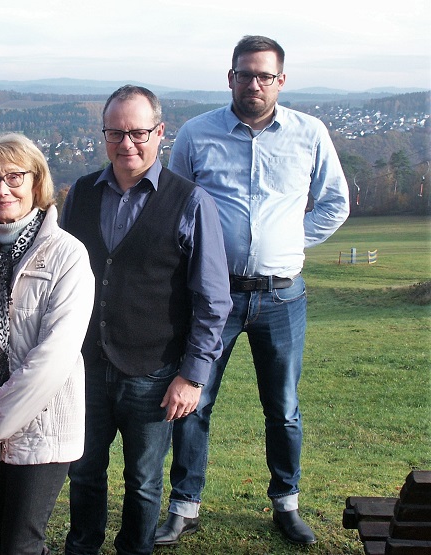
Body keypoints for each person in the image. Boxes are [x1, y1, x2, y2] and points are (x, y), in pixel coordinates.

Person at [159, 35, 350, 547]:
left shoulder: (310, 134)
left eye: (265, 75)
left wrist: (291, 243)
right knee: (193, 402)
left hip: (283, 297)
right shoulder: (197, 135)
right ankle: (184, 506)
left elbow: (334, 202)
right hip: (213, 299)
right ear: (231, 78)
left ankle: (285, 505)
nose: (255, 83)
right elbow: (174, 207)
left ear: (281, 81)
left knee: (282, 407)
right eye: (245, 74)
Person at [61, 85, 232, 555]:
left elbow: (213, 300)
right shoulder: (80, 194)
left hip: (155, 372)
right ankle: (83, 547)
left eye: (137, 132)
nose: (126, 144)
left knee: (142, 482)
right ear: (104, 135)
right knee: (84, 471)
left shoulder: (191, 201)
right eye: (115, 133)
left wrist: (192, 377)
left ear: (160, 133)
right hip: (88, 366)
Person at [0, 133, 94, 555]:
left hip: (42, 426)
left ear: (36, 181)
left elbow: (55, 356)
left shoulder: (68, 255)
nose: (1, 189)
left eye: (13, 176)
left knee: (21, 545)